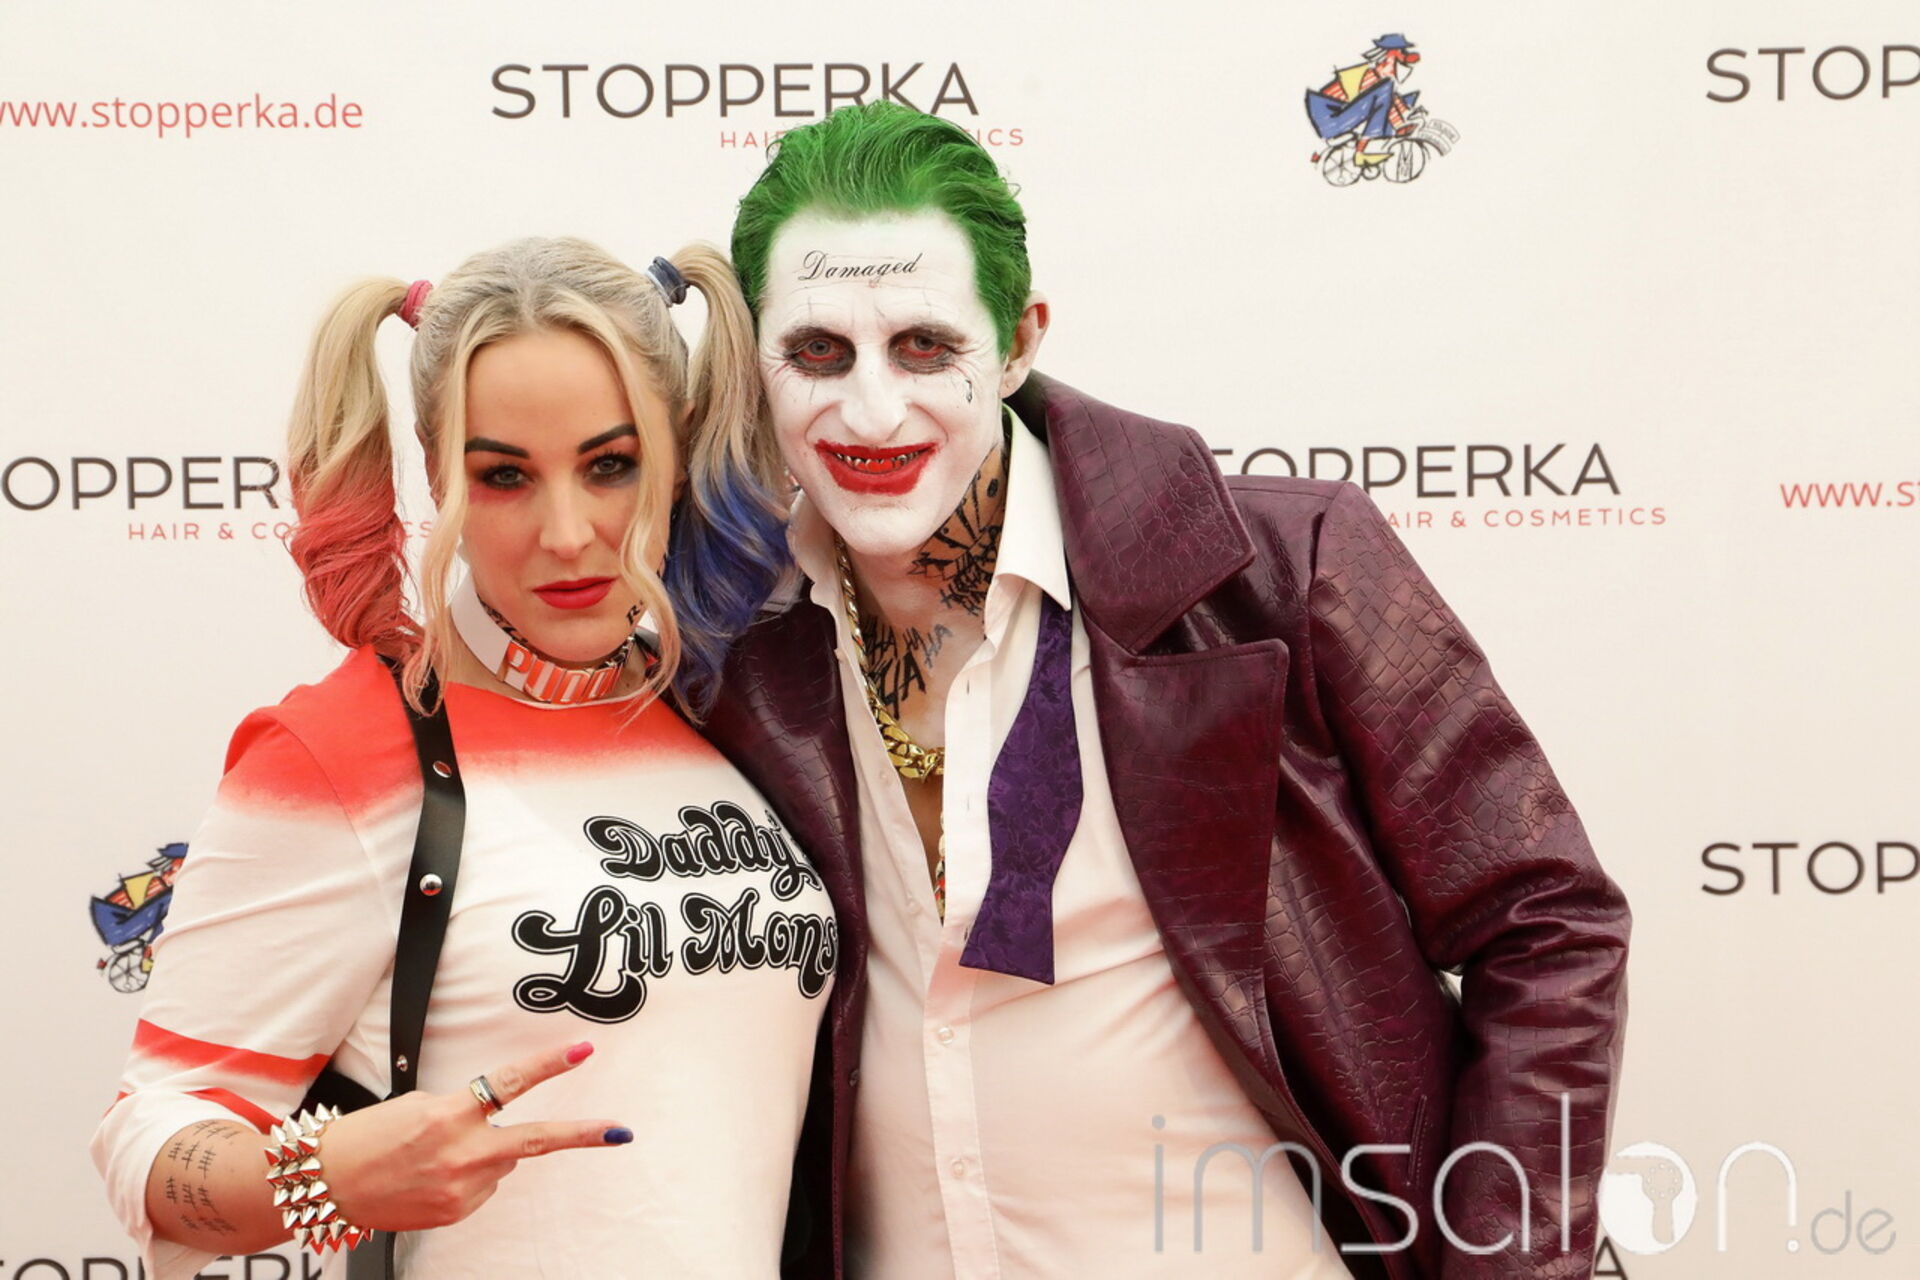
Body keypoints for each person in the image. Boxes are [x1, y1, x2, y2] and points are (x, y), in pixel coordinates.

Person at [700, 103, 1630, 1278]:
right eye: (817, 352)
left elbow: (1545, 921)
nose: (873, 410)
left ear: (1020, 341)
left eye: (926, 346)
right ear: (756, 362)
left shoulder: (1277, 573)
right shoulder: (730, 647)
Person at [92, 237, 837, 1279]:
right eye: (504, 476)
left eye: (611, 465)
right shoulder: (340, 750)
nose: (567, 533)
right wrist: (326, 1175)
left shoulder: (726, 710)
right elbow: (149, 1143)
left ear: (676, 453)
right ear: (439, 475)